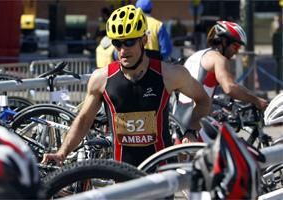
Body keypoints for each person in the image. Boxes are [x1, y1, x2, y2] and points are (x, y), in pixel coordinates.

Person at [42, 5, 211, 167]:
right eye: (117, 43)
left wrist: (191, 130)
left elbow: (203, 100)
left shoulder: (170, 74)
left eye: (129, 42)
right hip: (123, 173)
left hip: (161, 170)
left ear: (143, 40)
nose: (123, 50)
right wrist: (61, 153)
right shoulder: (101, 79)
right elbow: (84, 120)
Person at [173, 21, 269, 142]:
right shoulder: (219, 59)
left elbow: (203, 88)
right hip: (195, 128)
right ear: (224, 41)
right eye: (236, 46)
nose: (237, 51)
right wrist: (256, 100)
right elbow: (229, 87)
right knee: (233, 151)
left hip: (180, 123)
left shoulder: (197, 55)